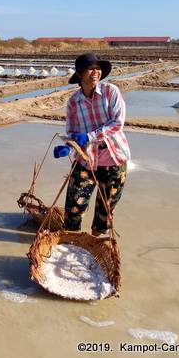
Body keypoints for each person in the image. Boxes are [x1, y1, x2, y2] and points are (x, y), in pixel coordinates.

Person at [53, 53, 130, 235]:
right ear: (80, 74)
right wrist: (68, 145)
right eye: (90, 68)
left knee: (105, 209)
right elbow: (72, 131)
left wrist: (88, 136)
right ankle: (72, 241)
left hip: (113, 158)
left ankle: (94, 244)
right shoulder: (73, 102)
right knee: (74, 206)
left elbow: (117, 123)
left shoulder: (111, 92)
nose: (95, 72)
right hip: (86, 160)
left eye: (98, 68)